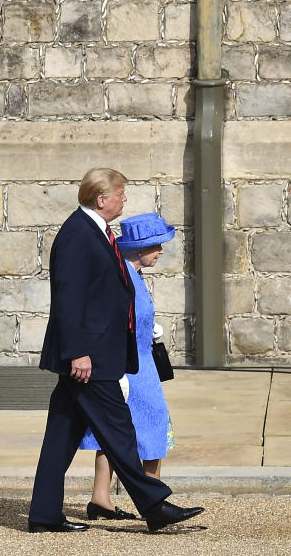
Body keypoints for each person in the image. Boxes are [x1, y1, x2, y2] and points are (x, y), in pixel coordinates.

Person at [28, 168, 204, 534]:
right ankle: (154, 505)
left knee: (61, 436)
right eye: (121, 194)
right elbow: (68, 298)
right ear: (101, 199)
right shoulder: (78, 234)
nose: (125, 200)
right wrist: (77, 352)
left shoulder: (96, 232)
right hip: (88, 359)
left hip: (96, 354)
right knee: (120, 430)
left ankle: (44, 515)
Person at [80, 213, 178, 521]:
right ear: (139, 249)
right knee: (153, 428)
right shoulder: (124, 278)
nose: (161, 251)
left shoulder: (130, 274)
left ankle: (100, 498)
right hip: (132, 368)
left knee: (113, 433)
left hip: (138, 363)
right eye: (156, 246)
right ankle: (155, 501)